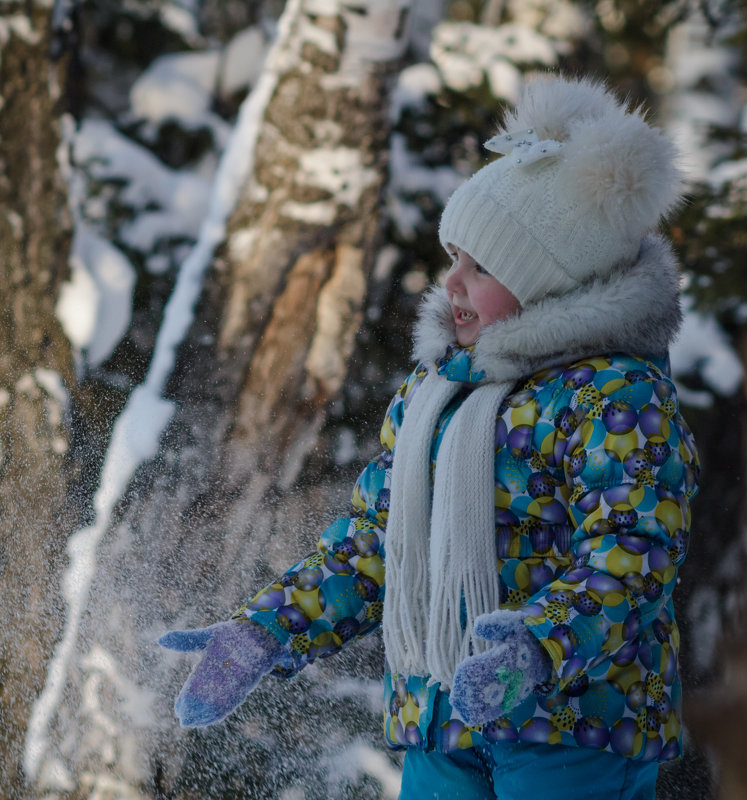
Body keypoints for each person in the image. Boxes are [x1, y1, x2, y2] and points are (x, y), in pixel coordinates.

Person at [159, 75, 700, 800]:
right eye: (454, 258)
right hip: (439, 715)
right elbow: (375, 542)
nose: (453, 282)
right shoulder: (437, 393)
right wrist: (268, 633)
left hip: (571, 727)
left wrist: (535, 649)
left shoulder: (614, 399)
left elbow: (633, 555)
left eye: (483, 267)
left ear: (552, 282)